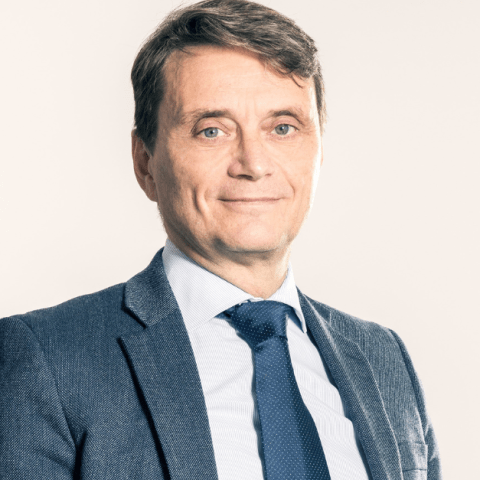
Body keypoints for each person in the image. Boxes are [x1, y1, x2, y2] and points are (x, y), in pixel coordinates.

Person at [0, 1, 441, 479]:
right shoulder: (48, 358)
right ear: (145, 162)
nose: (253, 163)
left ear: (318, 149)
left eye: (283, 128)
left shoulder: (383, 358)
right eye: (211, 130)